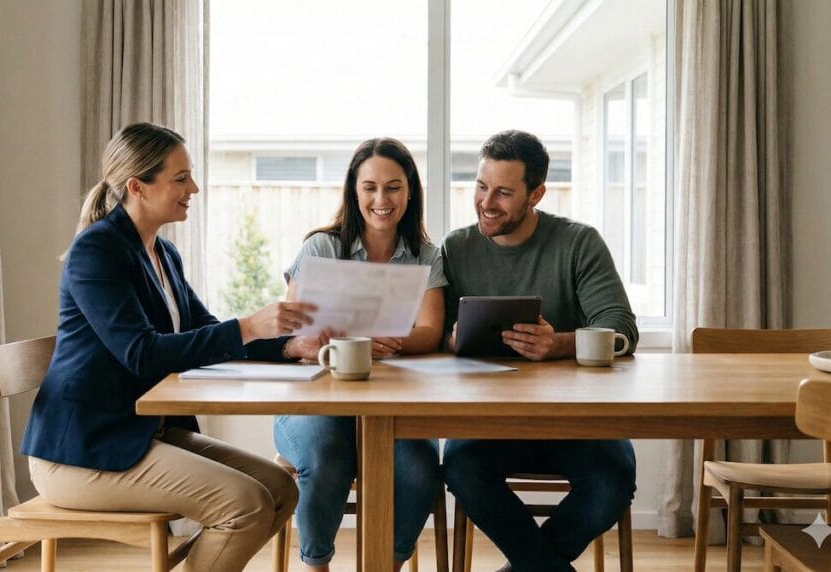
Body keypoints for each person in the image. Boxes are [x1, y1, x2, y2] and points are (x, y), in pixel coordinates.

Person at [20, 122, 318, 571]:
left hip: (141, 434)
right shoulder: (96, 252)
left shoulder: (162, 253)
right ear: (137, 187)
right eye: (180, 178)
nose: (193, 187)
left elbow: (204, 331)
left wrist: (290, 346)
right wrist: (247, 325)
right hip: (82, 454)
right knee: (246, 504)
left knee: (280, 489)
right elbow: (142, 353)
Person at [440, 130, 638, 572]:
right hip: (489, 422)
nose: (486, 202)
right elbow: (431, 332)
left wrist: (560, 343)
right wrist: (450, 339)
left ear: (536, 194)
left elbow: (622, 329)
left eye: (504, 192)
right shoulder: (456, 248)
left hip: (577, 420)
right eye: (481, 186)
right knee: (460, 467)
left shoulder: (579, 243)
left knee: (613, 480)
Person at [273, 138, 445, 571]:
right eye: (369, 187)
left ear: (410, 192)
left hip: (394, 407)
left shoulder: (426, 256)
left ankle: (384, 563)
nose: (381, 199)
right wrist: (337, 343)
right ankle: (317, 566)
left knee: (420, 469)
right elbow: (293, 334)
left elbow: (431, 332)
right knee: (325, 458)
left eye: (393, 187)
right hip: (316, 402)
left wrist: (391, 342)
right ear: (354, 191)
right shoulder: (320, 248)